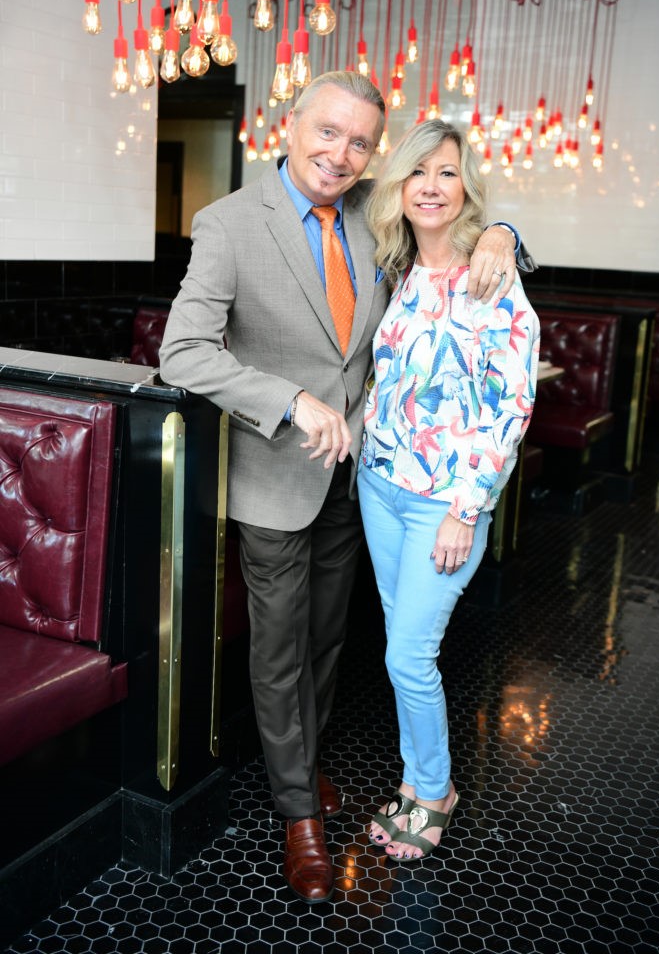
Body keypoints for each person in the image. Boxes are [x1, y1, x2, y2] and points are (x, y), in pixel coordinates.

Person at [159, 71, 530, 904]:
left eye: (360, 142)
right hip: (271, 473)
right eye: (328, 132)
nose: (342, 153)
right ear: (286, 125)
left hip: (360, 478)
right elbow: (182, 352)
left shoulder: (375, 214)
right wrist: (287, 401)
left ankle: (306, 760)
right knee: (279, 645)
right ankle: (298, 814)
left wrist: (502, 229)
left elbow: (449, 206)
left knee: (329, 635)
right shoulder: (227, 224)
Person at [359, 119, 540, 864]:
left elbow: (509, 403)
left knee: (408, 656)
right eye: (417, 172)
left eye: (446, 172)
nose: (430, 186)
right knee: (407, 649)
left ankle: (433, 790)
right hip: (378, 485)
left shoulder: (490, 272)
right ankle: (415, 778)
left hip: (444, 504)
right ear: (398, 187)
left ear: (465, 187)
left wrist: (466, 508)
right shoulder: (399, 269)